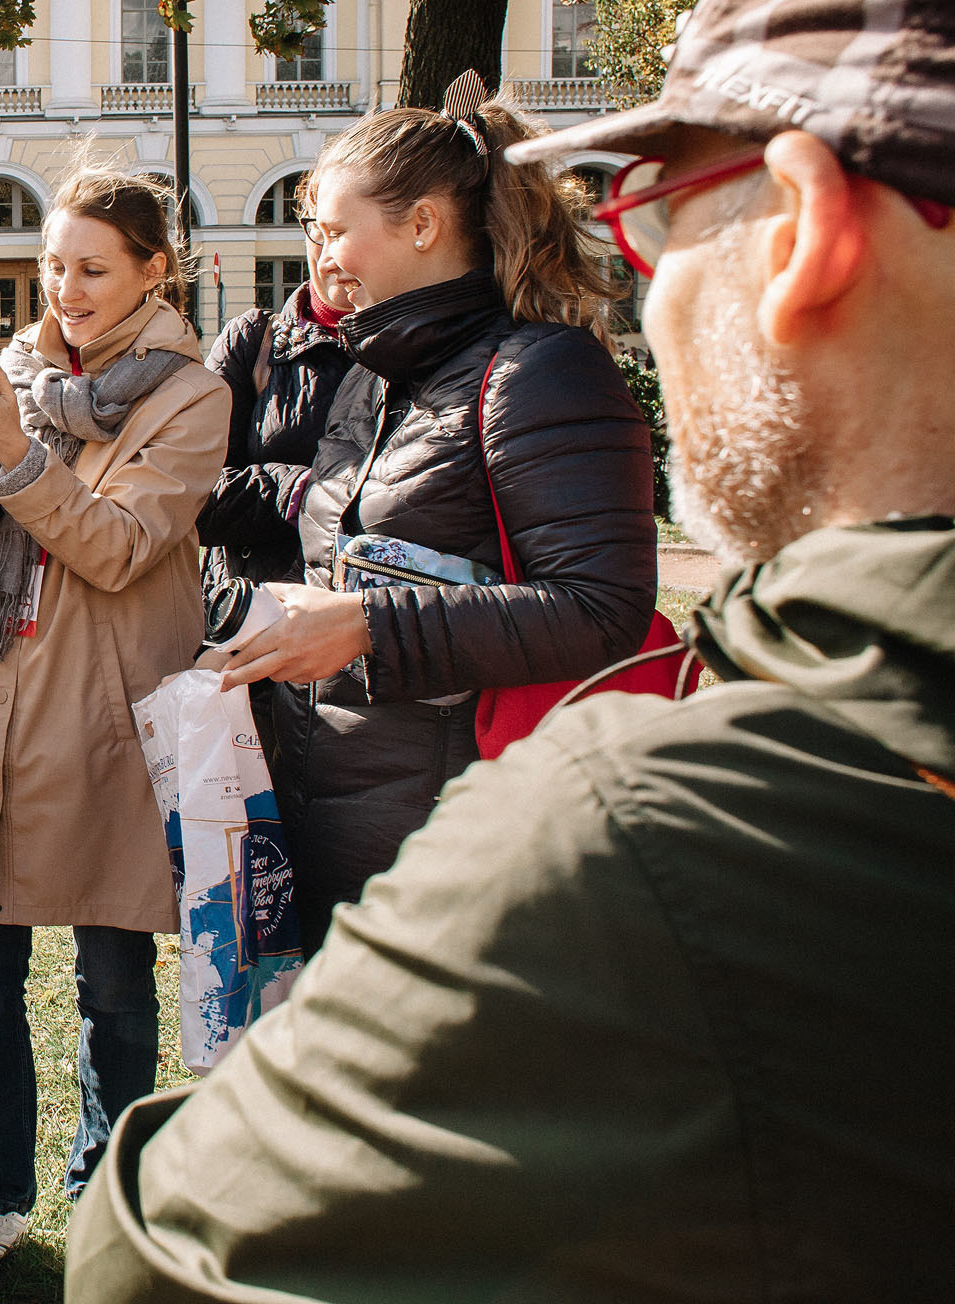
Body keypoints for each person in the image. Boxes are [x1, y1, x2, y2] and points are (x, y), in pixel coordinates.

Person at [69, 0, 955, 1303]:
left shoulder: (630, 825)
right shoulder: (343, 361)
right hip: (305, 804)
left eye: (660, 206)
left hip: (430, 811)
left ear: (805, 233)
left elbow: (153, 1259)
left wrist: (367, 632)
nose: (317, 265)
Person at [0, 163, 228, 1303]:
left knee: (112, 986)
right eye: (52, 266)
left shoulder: (189, 397)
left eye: (92, 268)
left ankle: (103, 1191)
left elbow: (120, 548)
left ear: (153, 271)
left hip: (102, 727)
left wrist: (15, 455)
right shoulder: (11, 373)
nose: (63, 289)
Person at [210, 83, 658, 949]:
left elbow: (603, 609)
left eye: (336, 231)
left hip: (459, 844)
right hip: (326, 822)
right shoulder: (373, 378)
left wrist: (368, 624)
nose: (322, 256)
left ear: (421, 227)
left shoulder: (541, 373)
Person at [197, 215, 358, 589]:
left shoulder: (408, 344)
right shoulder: (253, 339)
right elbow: (191, 494)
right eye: (319, 229)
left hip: (365, 618)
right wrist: (302, 491)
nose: (331, 249)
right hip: (253, 612)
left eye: (343, 230)